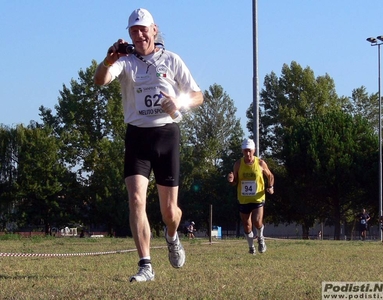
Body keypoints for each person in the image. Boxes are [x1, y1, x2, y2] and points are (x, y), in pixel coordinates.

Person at [94, 8, 203, 282]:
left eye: (143, 29)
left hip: (166, 136)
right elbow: (100, 80)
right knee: (136, 200)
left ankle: (172, 235)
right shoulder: (126, 61)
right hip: (137, 137)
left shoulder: (172, 59)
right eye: (134, 30)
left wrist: (178, 103)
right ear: (129, 34)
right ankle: (145, 265)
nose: (139, 34)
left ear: (154, 30)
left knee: (170, 212)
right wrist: (108, 60)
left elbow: (198, 95)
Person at [227, 138, 274, 254]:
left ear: (254, 150)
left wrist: (271, 186)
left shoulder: (260, 163)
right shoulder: (238, 164)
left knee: (257, 221)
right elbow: (235, 182)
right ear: (242, 151)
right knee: (247, 225)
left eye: (249, 150)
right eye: (245, 151)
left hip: (258, 197)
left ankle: (261, 238)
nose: (247, 153)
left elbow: (270, 176)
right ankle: (251, 247)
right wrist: (231, 180)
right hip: (244, 198)